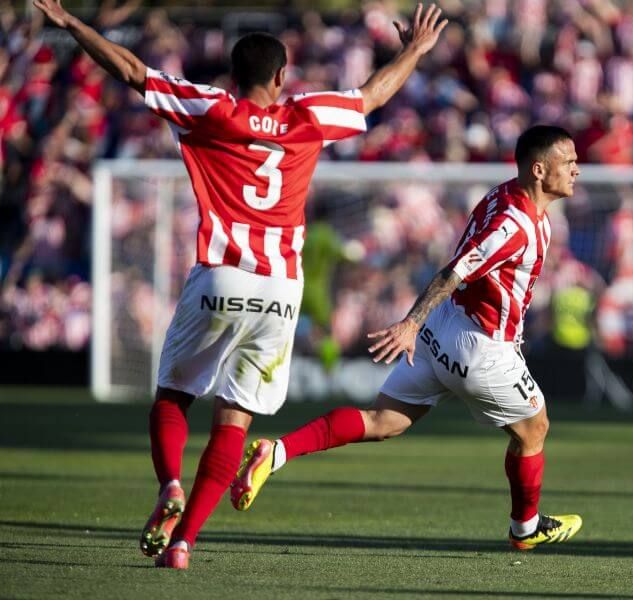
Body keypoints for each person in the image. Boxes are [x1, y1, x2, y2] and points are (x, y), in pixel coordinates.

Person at [33, 0, 448, 569]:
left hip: (219, 275)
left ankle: (169, 487)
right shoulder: (306, 113)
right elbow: (374, 95)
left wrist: (73, 24)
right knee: (236, 416)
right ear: (281, 77)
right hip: (279, 289)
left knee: (174, 395)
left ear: (233, 76)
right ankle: (184, 545)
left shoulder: (210, 108)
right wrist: (414, 51)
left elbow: (130, 70)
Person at [232, 125, 584, 550]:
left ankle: (277, 452)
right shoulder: (515, 226)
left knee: (383, 422)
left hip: (446, 329)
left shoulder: (506, 195)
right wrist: (411, 322)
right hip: (480, 345)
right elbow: (454, 271)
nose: (577, 170)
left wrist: (423, 325)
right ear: (540, 169)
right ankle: (525, 529)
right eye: (569, 162)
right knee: (535, 429)